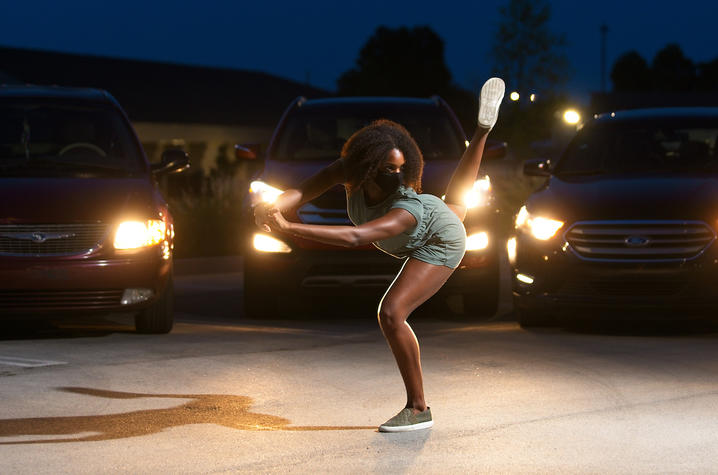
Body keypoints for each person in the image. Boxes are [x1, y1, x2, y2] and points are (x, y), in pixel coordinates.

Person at [254, 77, 505, 432]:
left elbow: (358, 236)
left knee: (391, 313)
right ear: (367, 166)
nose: (400, 175)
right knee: (456, 202)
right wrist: (272, 206)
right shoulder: (348, 171)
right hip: (436, 212)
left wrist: (290, 228)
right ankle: (481, 130)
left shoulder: (404, 206)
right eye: (390, 169)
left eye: (404, 168)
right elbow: (305, 189)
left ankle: (419, 409)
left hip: (439, 239)